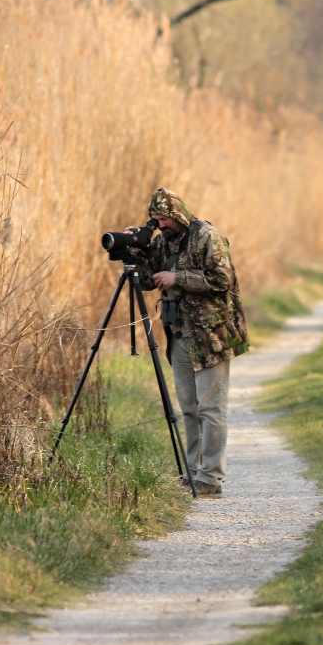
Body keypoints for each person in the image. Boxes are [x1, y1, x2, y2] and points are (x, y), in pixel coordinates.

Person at [131, 188, 249, 497]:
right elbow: (145, 282)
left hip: (210, 337)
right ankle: (193, 471)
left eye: (163, 220)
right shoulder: (163, 242)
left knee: (211, 409)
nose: (159, 225)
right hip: (180, 335)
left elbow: (223, 280)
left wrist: (178, 277)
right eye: (154, 220)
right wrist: (138, 254)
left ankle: (210, 477)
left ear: (176, 215)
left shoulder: (208, 237)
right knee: (189, 409)